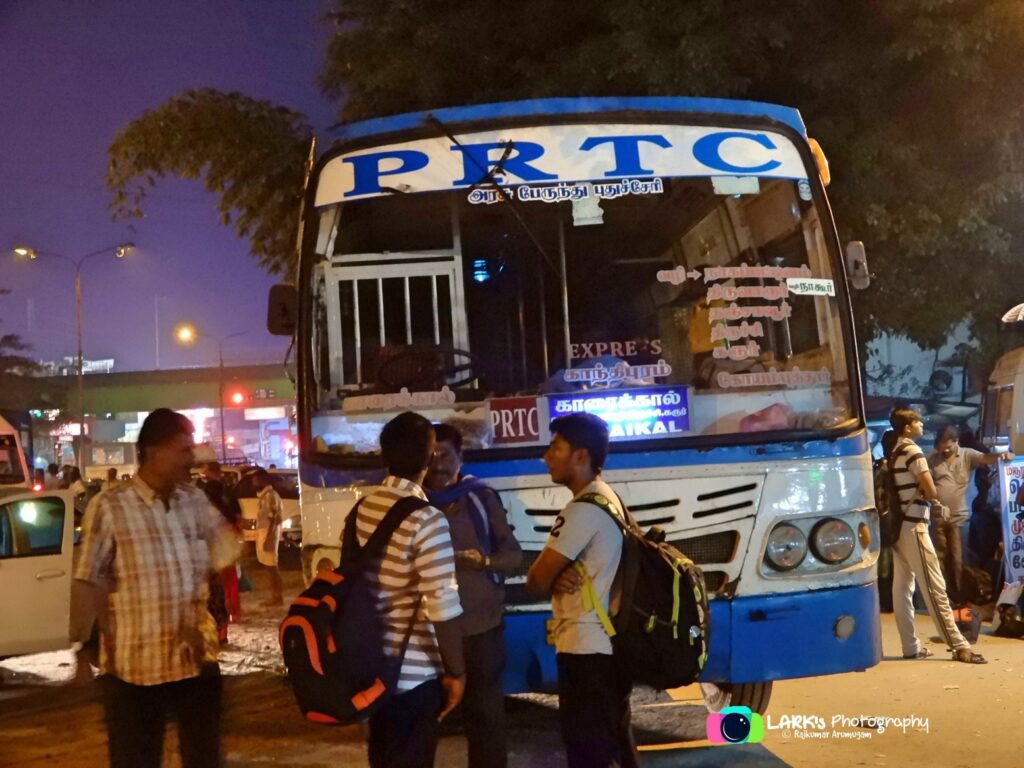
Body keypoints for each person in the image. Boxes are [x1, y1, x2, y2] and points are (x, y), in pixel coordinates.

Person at [70, 408, 238, 768]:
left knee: (205, 758)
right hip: (135, 667)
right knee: (136, 759)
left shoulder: (192, 500)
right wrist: (94, 641)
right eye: (182, 449)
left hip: (194, 659)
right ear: (151, 451)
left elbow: (226, 545)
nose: (190, 459)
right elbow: (90, 576)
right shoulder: (111, 506)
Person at [526, 413, 637, 768]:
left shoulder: (583, 509)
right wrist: (558, 574)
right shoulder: (608, 498)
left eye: (555, 447)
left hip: (586, 650)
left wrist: (551, 576)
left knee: (590, 752)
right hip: (608, 645)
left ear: (580, 456)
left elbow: (535, 581)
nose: (546, 456)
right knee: (614, 746)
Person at [356, 412, 465, 768]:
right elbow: (442, 604)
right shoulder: (426, 519)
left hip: (370, 669)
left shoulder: (361, 510)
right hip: (414, 676)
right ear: (430, 457)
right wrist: (457, 672)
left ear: (383, 456)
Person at [425, 423, 522, 768]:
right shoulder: (412, 504)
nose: (438, 464)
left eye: (446, 455)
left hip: (481, 633)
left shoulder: (480, 498)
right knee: (424, 726)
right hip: (429, 637)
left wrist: (482, 561)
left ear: (461, 458)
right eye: (431, 455)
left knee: (487, 724)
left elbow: (514, 556)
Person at [887, 408, 986, 664]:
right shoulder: (913, 452)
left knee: (902, 589)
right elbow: (930, 488)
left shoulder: (896, 452)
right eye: (917, 421)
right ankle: (959, 645)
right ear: (908, 427)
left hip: (897, 529)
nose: (921, 424)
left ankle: (911, 646)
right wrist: (933, 499)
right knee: (934, 586)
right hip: (914, 527)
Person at [927, 424, 1011, 607]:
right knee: (939, 557)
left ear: (956, 442)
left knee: (958, 557)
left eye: (948, 447)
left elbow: (987, 458)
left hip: (960, 518)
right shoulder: (933, 459)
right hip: (938, 517)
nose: (945, 451)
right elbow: (924, 482)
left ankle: (959, 597)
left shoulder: (967, 455)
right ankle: (942, 596)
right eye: (941, 448)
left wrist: (1002, 456)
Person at [253, 469, 284, 606]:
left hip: (268, 533)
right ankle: (275, 596)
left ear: (263, 479)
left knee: (272, 567)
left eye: (255, 479)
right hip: (264, 533)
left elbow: (276, 518)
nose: (253, 482)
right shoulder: (264, 496)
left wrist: (270, 537)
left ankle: (277, 597)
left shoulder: (270, 496)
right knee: (268, 566)